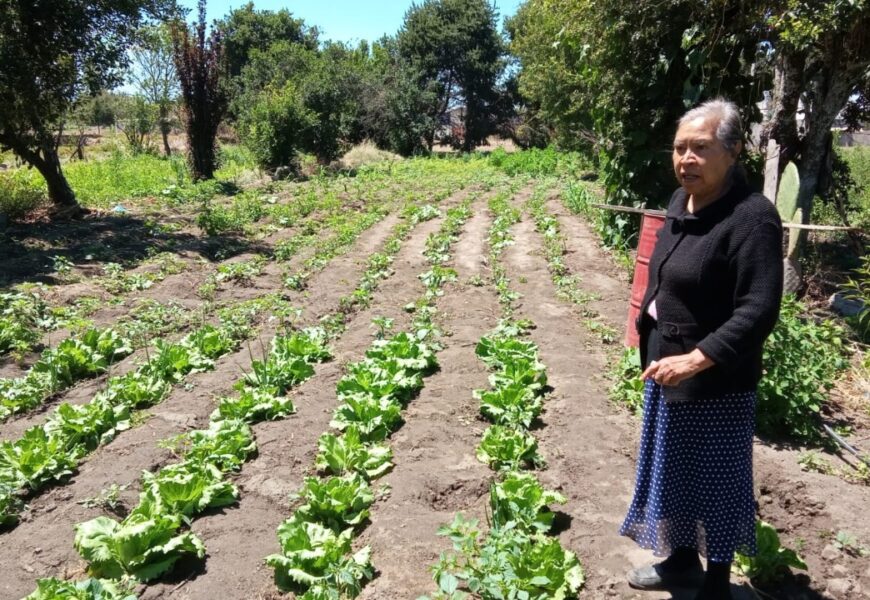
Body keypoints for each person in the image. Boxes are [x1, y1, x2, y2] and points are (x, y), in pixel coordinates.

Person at [619, 98, 784, 600]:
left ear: (732, 152)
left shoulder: (751, 219)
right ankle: (681, 562)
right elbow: (663, 273)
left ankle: (716, 582)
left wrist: (697, 358)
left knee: (716, 483)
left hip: (714, 382)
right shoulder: (679, 202)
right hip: (666, 370)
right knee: (673, 472)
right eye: (679, 148)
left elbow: (758, 309)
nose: (686, 159)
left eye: (700, 148)